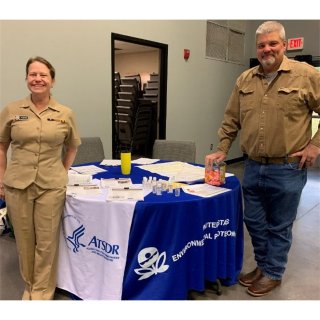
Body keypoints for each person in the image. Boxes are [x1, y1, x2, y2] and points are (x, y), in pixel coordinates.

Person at [205, 21, 320, 297]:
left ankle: (273, 272)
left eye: (272, 43)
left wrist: (315, 145)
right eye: (261, 45)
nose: (266, 49)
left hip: (288, 167)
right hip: (254, 165)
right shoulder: (245, 79)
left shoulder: (305, 75)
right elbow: (231, 118)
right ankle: (263, 265)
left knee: (280, 225)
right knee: (254, 221)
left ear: (283, 44)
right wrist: (223, 146)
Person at [0, 56, 81, 300]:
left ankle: (42, 292)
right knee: (24, 241)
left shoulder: (65, 113)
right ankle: (30, 285)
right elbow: (2, 146)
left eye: (43, 75)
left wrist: (62, 172)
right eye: (33, 74)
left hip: (50, 186)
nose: (38, 79)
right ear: (27, 79)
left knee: (46, 242)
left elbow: (72, 146)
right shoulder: (12, 110)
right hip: (17, 185)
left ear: (52, 81)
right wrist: (1, 180)